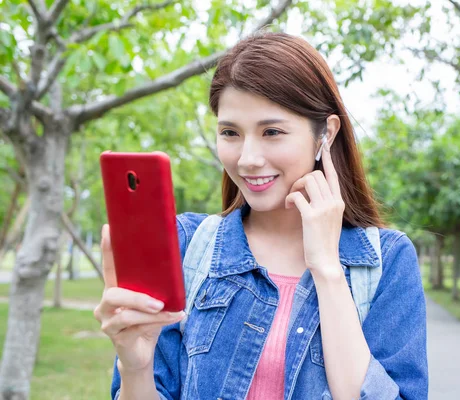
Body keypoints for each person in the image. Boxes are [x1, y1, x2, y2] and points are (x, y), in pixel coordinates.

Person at [95, 32, 428, 400]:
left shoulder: (387, 261)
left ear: (325, 134)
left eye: (272, 131)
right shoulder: (187, 246)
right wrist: (136, 367)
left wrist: (327, 269)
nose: (247, 158)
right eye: (230, 132)